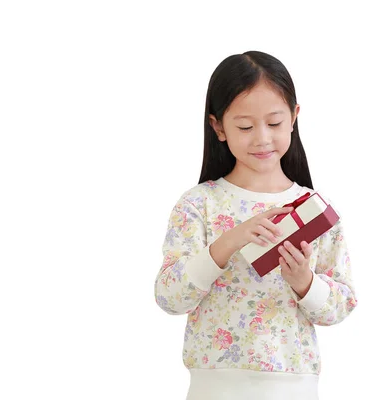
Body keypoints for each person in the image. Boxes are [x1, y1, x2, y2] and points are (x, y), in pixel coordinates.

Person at [154, 50, 357, 400]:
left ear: (294, 117)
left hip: (293, 386)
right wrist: (225, 244)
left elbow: (342, 305)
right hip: (214, 387)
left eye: (275, 123)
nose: (262, 138)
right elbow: (169, 298)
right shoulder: (199, 204)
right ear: (218, 126)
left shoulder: (314, 210)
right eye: (245, 127)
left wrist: (304, 282)